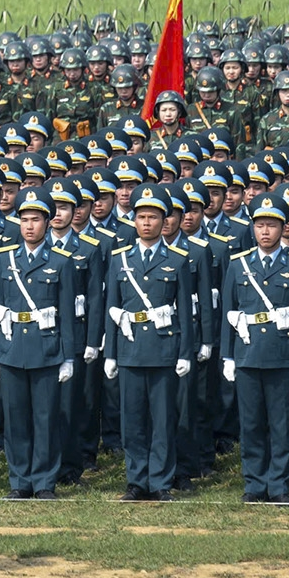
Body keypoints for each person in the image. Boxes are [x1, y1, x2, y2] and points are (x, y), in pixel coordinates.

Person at [219, 192, 289, 503]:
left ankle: (278, 484)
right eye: (260, 225)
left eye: (272, 225)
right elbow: (228, 314)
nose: (265, 232)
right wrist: (227, 356)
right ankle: (254, 483)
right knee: (251, 424)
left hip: (282, 357)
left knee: (282, 424)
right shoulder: (238, 265)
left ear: (283, 227)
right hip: (247, 356)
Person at [0, 187, 79, 500]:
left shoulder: (61, 262)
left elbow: (67, 313)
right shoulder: (4, 259)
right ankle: (19, 481)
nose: (29, 226)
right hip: (11, 350)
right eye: (24, 219)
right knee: (15, 419)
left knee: (46, 419)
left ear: (47, 221)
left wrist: (68, 356)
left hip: (47, 350)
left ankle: (43, 482)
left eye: (35, 219)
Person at [103, 182, 194, 501]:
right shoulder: (119, 259)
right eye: (141, 216)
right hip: (129, 350)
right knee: (132, 420)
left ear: (164, 220)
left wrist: (185, 353)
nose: (147, 222)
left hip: (164, 349)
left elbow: (186, 310)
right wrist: (110, 354)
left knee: (163, 418)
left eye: (154, 217)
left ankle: (160, 481)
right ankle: (136, 479)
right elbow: (111, 309)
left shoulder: (178, 260)